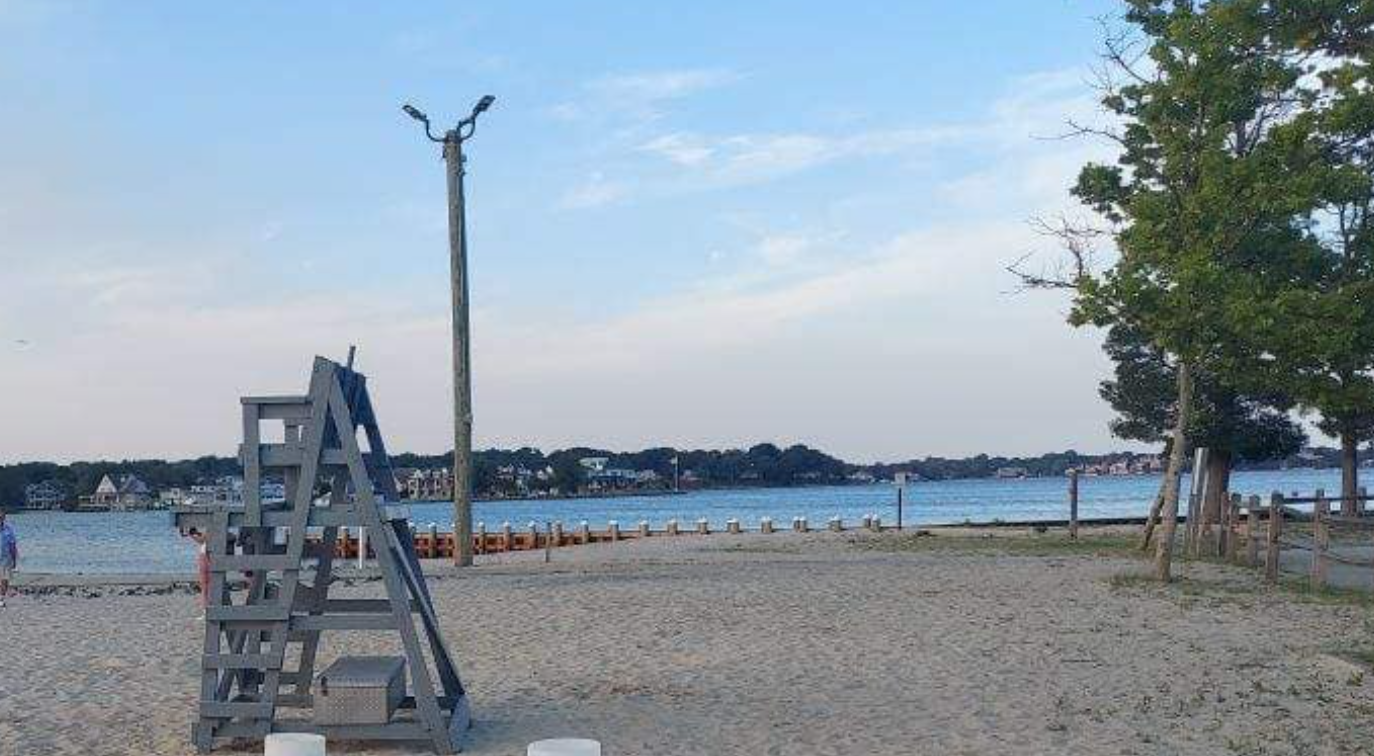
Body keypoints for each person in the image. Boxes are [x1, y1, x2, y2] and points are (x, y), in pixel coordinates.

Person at [187, 527, 209, 613]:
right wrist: (195, 534)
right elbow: (204, 539)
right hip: (208, 554)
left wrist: (192, 534)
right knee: (207, 585)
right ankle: (206, 609)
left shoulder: (212, 526)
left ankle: (206, 610)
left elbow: (204, 539)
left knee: (205, 585)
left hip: (206, 555)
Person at [0, 511, 18, 608]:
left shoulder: (8, 530)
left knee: (5, 579)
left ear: (4, 519)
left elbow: (13, 545)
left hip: (6, 559)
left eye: (1, 517)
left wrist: (14, 559)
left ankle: (1, 598)